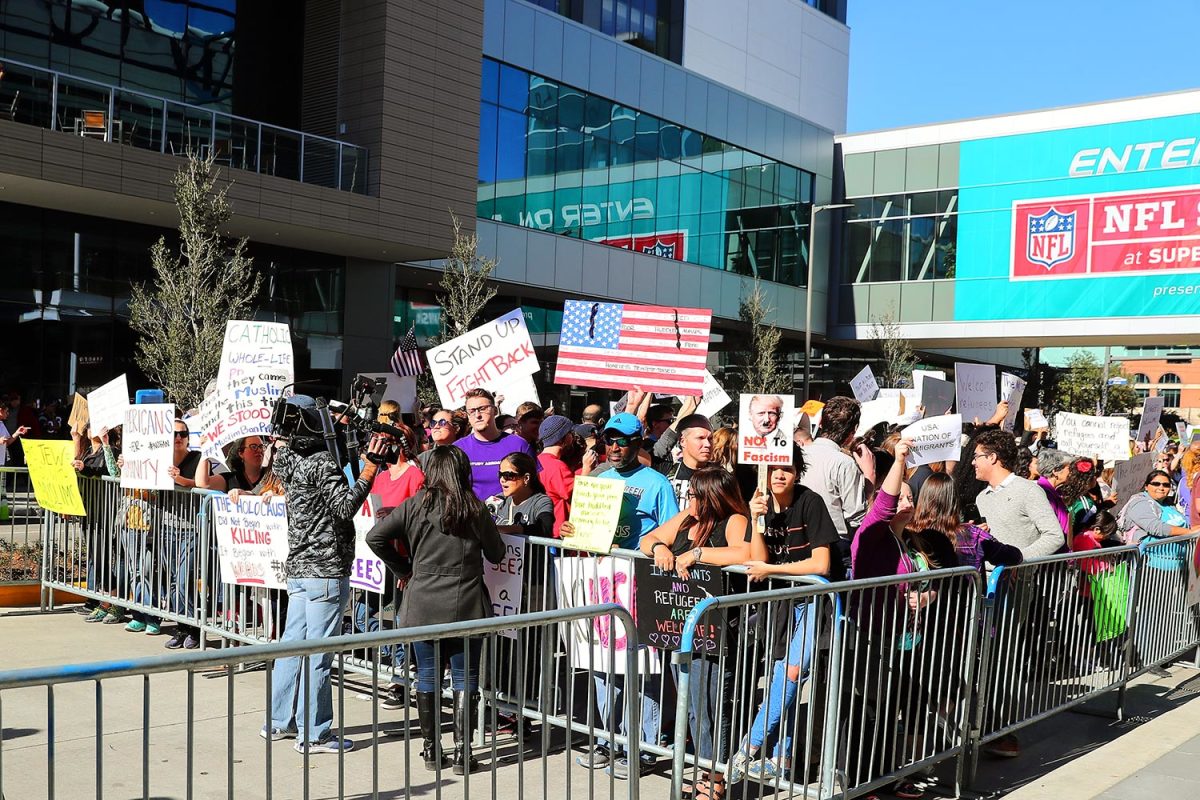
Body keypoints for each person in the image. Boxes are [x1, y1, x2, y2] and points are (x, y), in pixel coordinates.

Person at [366, 446, 505, 774]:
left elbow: (376, 537)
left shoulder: (415, 504)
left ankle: (430, 750)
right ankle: (462, 753)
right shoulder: (475, 509)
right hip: (467, 601)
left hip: (423, 599)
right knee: (465, 676)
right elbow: (497, 554)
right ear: (461, 471)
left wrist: (404, 569)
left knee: (427, 674)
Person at [263, 395, 385, 755]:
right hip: (326, 569)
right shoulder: (319, 464)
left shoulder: (286, 458)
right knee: (318, 652)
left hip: (300, 567)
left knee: (291, 646)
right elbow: (345, 506)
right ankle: (314, 734)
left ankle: (278, 721)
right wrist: (367, 471)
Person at [563, 412, 678, 778]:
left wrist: (658, 545)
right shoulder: (597, 478)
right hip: (602, 580)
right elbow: (580, 529)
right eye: (609, 440)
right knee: (601, 663)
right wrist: (572, 528)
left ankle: (641, 747)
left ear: (637, 442)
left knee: (641, 668)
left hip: (638, 583)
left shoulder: (657, 483)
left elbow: (672, 531)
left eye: (622, 440)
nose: (613, 447)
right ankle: (607, 740)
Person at [640, 466, 757, 800]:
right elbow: (648, 539)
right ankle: (702, 770)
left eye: (694, 494)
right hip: (678, 628)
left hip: (716, 632)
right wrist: (661, 549)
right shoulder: (686, 518)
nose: (688, 499)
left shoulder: (734, 520)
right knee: (691, 706)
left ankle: (714, 779)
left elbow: (744, 553)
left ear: (712, 497)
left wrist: (699, 553)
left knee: (710, 708)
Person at [730, 448, 838, 783]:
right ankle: (782, 759)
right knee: (780, 677)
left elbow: (821, 565)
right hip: (780, 601)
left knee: (791, 673)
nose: (779, 474)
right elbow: (756, 562)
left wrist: (773, 568)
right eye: (774, 468)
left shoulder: (810, 502)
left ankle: (749, 747)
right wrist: (755, 520)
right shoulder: (760, 503)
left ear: (797, 473)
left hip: (814, 599)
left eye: (787, 469)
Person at [800, 396, 870, 573]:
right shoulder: (844, 464)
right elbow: (856, 516)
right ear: (852, 432)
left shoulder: (799, 455)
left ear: (821, 422)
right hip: (835, 546)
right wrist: (870, 477)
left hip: (800, 539)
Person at [973, 429, 1065, 558]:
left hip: (1019, 576)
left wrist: (1017, 557)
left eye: (976, 457)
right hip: (985, 576)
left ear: (992, 457)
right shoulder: (981, 498)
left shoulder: (1028, 491)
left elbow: (1055, 536)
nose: (973, 462)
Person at [454, 388, 537, 504]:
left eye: (482, 409)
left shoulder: (519, 444)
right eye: (472, 411)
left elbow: (536, 487)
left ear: (495, 410)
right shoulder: (457, 449)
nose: (477, 415)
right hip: (472, 519)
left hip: (513, 518)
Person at [1119, 469, 1200, 543]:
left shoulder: (1169, 503)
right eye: (1156, 484)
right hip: (1149, 556)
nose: (1161, 488)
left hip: (1176, 556)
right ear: (1146, 487)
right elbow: (1155, 527)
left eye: (1166, 485)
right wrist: (1189, 532)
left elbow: (1185, 524)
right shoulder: (1139, 502)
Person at [536, 415, 580, 536]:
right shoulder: (557, 466)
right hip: (557, 532)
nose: (573, 437)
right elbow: (577, 494)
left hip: (545, 529)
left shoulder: (536, 460)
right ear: (562, 438)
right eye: (570, 433)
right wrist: (587, 469)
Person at [664, 414, 713, 506]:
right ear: (683, 441)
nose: (708, 444)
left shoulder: (721, 477)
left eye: (710, 439)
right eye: (700, 438)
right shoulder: (666, 474)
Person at [1029, 448, 1074, 539]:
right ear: (1056, 471)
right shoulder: (1043, 494)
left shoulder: (1055, 492)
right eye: (1069, 468)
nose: (1072, 472)